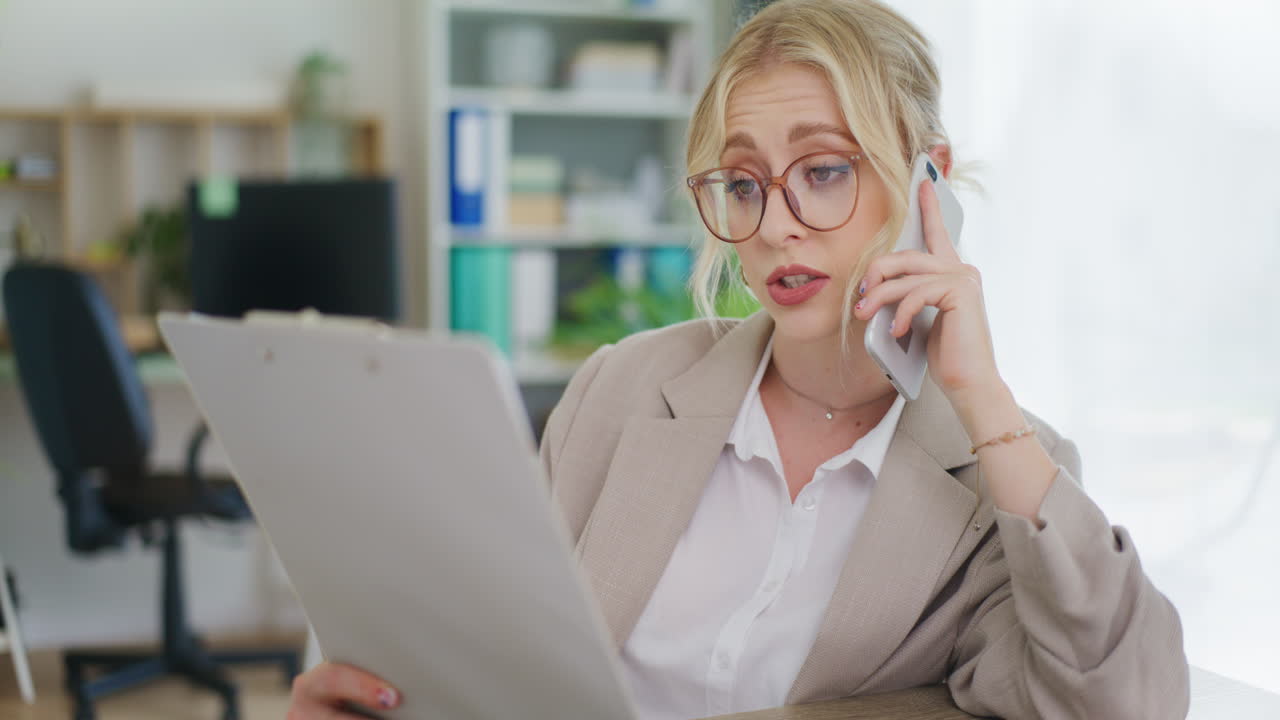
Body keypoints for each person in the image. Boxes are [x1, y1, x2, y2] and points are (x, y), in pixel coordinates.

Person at [287, 1, 1190, 718]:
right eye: (743, 183)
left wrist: (982, 396)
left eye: (824, 170)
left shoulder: (1003, 476)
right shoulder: (624, 386)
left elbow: (1125, 702)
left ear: (930, 182)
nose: (775, 224)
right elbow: (492, 637)